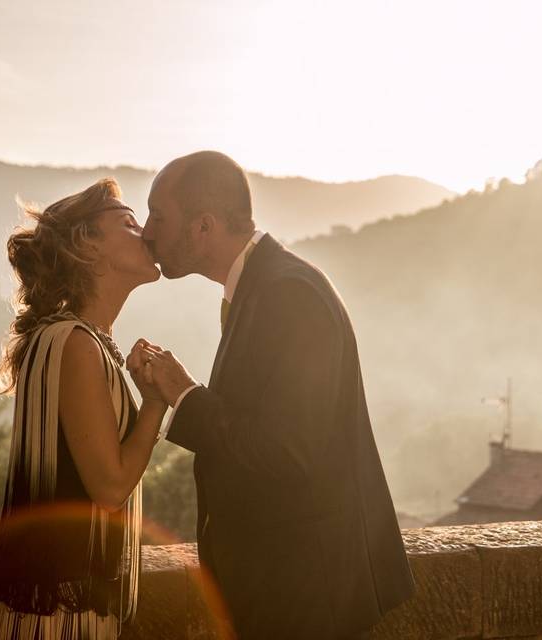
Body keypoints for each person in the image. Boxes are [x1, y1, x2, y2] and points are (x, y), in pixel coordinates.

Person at [134, 150, 416, 640]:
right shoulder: (265, 286)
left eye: (159, 216)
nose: (146, 231)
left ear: (203, 227)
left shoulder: (289, 294)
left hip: (303, 594)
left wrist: (184, 395)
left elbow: (288, 449)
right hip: (285, 588)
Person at [0, 178, 166, 639]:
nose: (148, 234)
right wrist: (156, 402)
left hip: (49, 610)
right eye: (130, 223)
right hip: (55, 617)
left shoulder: (76, 339)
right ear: (88, 248)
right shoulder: (75, 344)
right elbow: (110, 487)